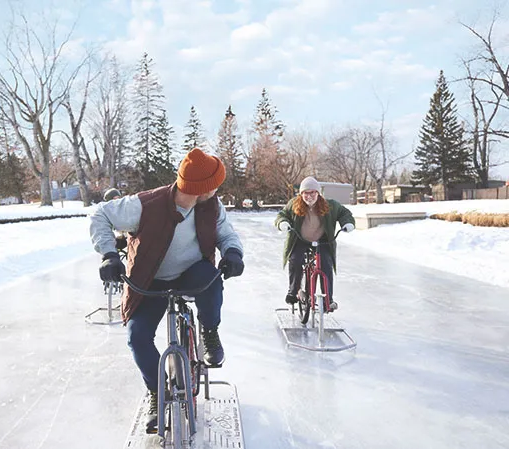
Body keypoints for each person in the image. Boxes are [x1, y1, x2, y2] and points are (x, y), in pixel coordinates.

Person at [90, 148, 244, 431]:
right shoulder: (145, 205)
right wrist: (109, 254)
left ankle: (209, 332)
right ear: (200, 188)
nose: (218, 189)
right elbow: (101, 215)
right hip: (149, 280)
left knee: (210, 276)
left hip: (190, 273)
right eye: (215, 184)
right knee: (137, 338)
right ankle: (156, 391)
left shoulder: (212, 205)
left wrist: (233, 252)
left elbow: (225, 232)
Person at [275, 176, 355, 311]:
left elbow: (344, 213)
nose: (309, 196)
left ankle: (328, 300)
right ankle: (293, 292)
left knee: (326, 264)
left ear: (318, 193)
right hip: (300, 239)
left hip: (322, 241)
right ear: (301, 194)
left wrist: (347, 223)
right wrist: (282, 223)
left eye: (312, 192)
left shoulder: (330, 205)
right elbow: (282, 214)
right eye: (306, 193)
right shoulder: (294, 204)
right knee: (295, 260)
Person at [102, 188, 127, 254]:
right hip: (115, 241)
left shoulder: (124, 208)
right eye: (114, 199)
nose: (117, 201)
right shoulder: (106, 212)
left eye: (118, 198)